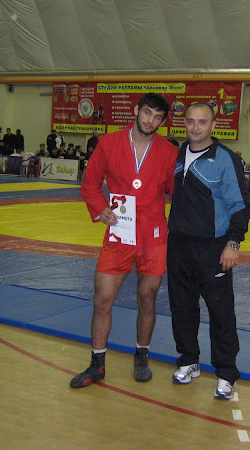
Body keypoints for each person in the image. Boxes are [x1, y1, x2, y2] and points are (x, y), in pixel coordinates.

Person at [71, 93, 179, 389]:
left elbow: (177, 194)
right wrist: (100, 208)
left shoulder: (169, 152)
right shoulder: (108, 143)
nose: (151, 121)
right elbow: (90, 185)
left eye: (158, 117)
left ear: (162, 121)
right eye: (147, 113)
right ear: (136, 110)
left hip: (153, 234)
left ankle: (141, 356)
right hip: (120, 230)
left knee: (148, 298)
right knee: (102, 298)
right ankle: (97, 363)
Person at [167, 103, 250, 400]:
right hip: (178, 246)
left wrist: (233, 243)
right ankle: (188, 360)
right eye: (190, 121)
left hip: (213, 248)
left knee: (220, 312)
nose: (195, 127)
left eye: (202, 122)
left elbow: (240, 205)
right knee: (182, 307)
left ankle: (226, 373)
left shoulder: (225, 159)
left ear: (213, 126)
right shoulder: (178, 155)